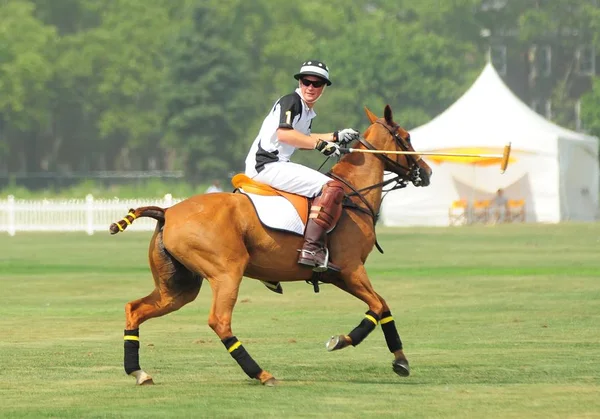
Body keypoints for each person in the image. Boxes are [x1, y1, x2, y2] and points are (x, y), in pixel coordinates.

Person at [244, 60, 360, 272]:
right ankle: (311, 249)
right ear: (300, 82)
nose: (311, 87)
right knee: (332, 187)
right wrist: (320, 145)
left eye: (317, 84)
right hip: (267, 165)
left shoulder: (307, 111)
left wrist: (335, 137)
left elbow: (302, 138)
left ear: (324, 87)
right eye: (307, 81)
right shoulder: (292, 101)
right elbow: (285, 134)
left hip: (275, 165)